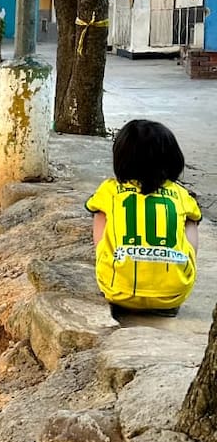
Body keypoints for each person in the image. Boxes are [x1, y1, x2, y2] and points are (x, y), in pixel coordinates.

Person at [86, 119, 201, 317]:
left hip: (117, 291)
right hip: (172, 295)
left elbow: (95, 208)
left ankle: (115, 265)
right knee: (191, 218)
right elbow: (192, 217)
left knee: (100, 211)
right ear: (174, 159)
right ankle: (178, 268)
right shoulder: (181, 195)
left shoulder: (109, 190)